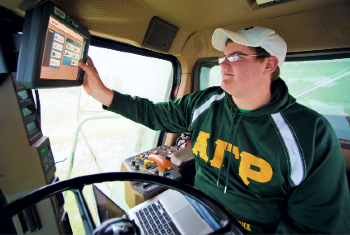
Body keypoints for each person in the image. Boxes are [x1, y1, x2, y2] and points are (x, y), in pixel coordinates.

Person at [79, 26, 350, 234]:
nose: (223, 63)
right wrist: (104, 94)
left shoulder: (310, 133)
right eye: (224, 56)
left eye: (237, 56)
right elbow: (156, 114)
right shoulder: (206, 102)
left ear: (269, 65)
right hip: (191, 208)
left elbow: (313, 228)